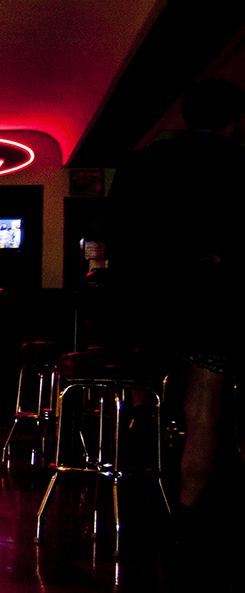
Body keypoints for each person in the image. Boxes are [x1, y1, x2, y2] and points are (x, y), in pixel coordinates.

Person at [104, 78, 244, 513]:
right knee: (204, 410)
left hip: (141, 308)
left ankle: (135, 465)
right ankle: (186, 510)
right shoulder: (235, 164)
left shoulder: (140, 163)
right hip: (209, 306)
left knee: (143, 382)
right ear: (233, 121)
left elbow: (112, 235)